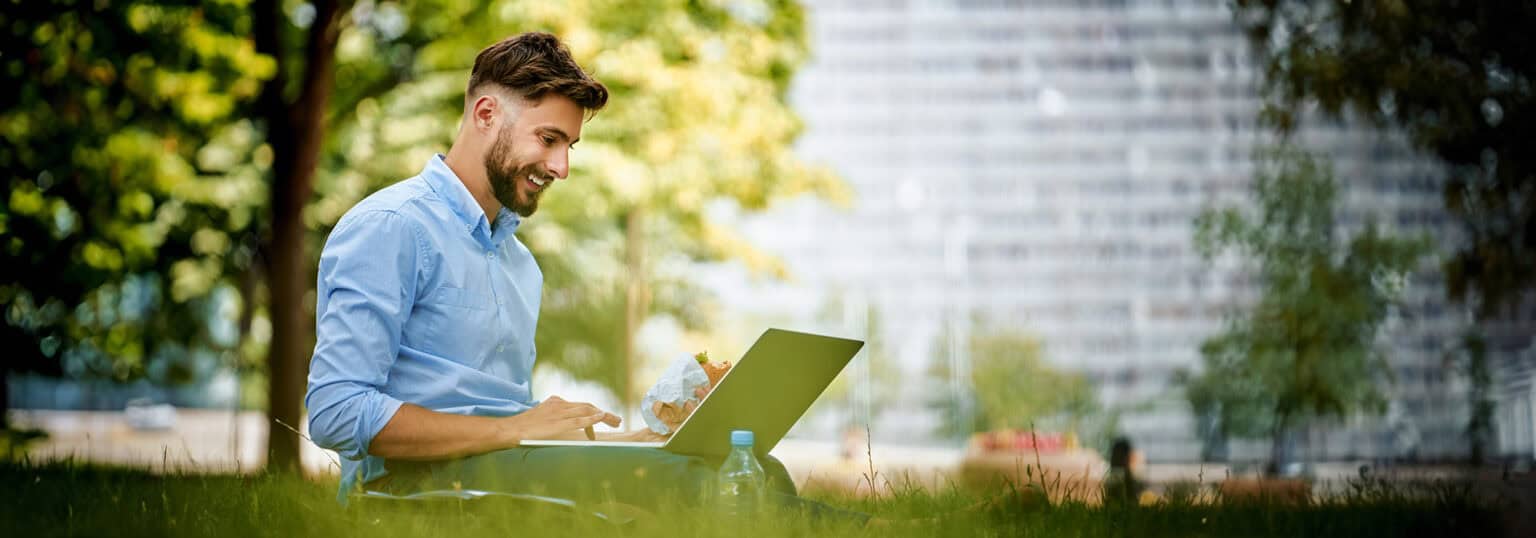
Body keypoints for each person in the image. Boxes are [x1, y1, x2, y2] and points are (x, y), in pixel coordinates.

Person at [303, 32, 866, 525]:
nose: (561, 167)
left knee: (753, 467)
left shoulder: (519, 265)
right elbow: (336, 410)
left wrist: (635, 444)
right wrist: (517, 429)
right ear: (484, 115)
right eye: (548, 139)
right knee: (692, 486)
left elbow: (509, 428)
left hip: (500, 466)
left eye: (568, 147)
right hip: (406, 488)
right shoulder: (391, 228)